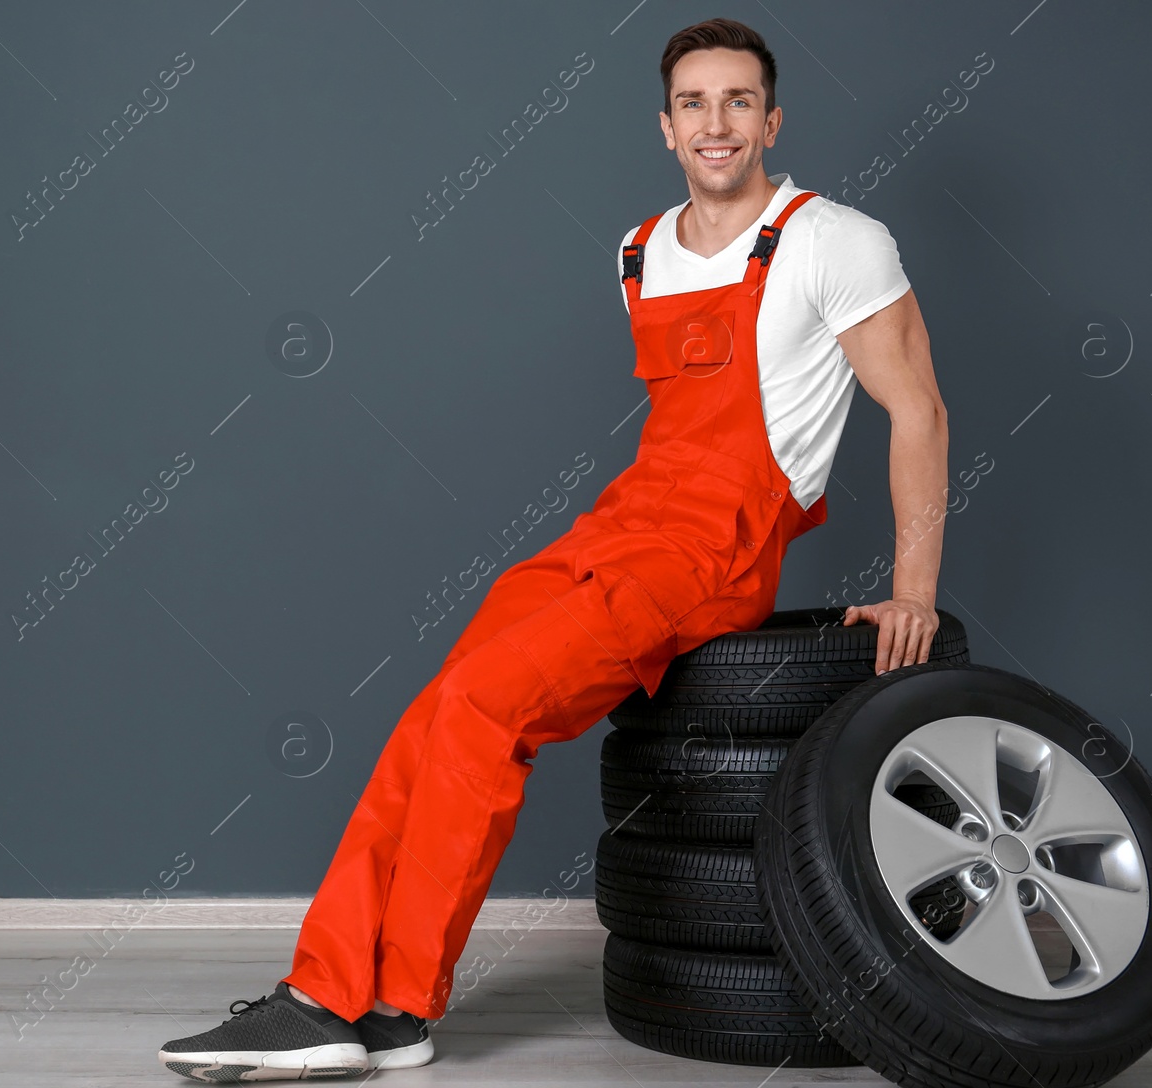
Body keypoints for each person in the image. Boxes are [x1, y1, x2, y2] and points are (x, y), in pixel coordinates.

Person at [157, 15, 948, 1082]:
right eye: (693, 103)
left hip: (713, 546)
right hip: (623, 519)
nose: (716, 123)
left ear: (772, 117)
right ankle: (352, 998)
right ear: (665, 126)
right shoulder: (638, 250)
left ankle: (366, 1003)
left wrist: (913, 591)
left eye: (737, 100)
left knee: (488, 707)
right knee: (442, 703)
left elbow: (918, 411)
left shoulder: (829, 238)